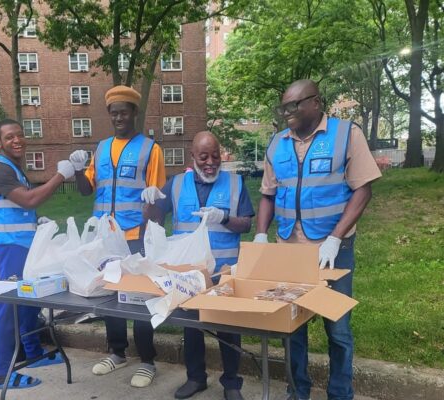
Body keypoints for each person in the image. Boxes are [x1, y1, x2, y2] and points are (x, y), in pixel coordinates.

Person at [253, 80, 381, 400]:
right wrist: (259, 234)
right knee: (292, 327)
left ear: (316, 103)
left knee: (337, 329)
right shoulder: (277, 143)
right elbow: (268, 194)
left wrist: (336, 238)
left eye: (294, 105)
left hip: (332, 250)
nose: (287, 113)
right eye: (284, 107)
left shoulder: (345, 134)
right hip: (289, 251)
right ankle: (298, 391)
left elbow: (363, 189)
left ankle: (340, 393)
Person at [141, 131, 254, 400]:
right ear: (193, 157)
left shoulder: (236, 183)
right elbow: (155, 218)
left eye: (215, 156)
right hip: (188, 274)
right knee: (191, 328)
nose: (210, 162)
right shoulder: (176, 184)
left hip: (224, 272)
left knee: (229, 328)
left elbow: (246, 224)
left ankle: (231, 383)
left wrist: (224, 217)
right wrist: (149, 200)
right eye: (204, 156)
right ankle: (195, 378)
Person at [69, 85, 166, 388]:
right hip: (104, 238)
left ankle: (148, 360)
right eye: (114, 113)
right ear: (109, 115)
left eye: (124, 112)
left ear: (134, 112)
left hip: (135, 233)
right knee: (109, 296)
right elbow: (87, 189)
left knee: (137, 298)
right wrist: (75, 170)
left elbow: (158, 198)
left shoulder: (151, 148)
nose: (119, 117)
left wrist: (153, 201)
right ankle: (117, 352)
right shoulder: (100, 148)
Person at [0, 118, 76, 390]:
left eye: (20, 135)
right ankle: (1, 375)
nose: (17, 140)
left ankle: (33, 353)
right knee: (10, 306)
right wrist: (61, 175)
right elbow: (29, 199)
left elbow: (20, 207)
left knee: (29, 300)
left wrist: (36, 221)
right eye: (10, 137)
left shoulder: (13, 169)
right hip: (9, 247)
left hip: (24, 245)